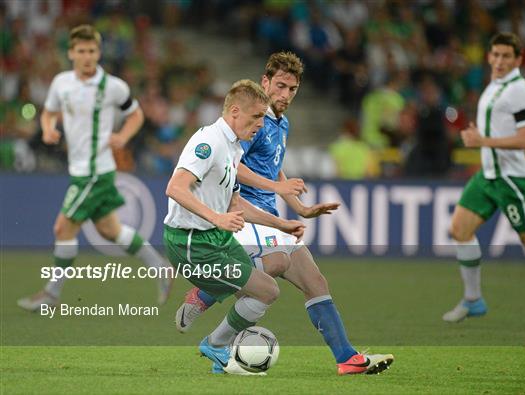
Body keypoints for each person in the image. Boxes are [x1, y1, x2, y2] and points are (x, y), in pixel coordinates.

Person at [177, 52, 394, 375]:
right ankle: (211, 289)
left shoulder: (282, 122)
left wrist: (300, 207)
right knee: (276, 263)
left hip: (268, 213)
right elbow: (234, 166)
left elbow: (274, 169)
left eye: (292, 89)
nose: (285, 95)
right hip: (241, 212)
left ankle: (346, 358)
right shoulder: (254, 119)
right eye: (280, 86)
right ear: (265, 82)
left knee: (315, 280)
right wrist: (276, 189)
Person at [17, 25, 172, 311]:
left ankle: (51, 294)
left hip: (96, 171)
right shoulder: (61, 83)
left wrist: (123, 137)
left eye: (92, 51)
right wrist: (49, 128)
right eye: (81, 51)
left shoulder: (113, 86)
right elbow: (49, 112)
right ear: (71, 53)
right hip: (79, 168)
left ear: (98, 53)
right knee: (110, 230)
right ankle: (160, 267)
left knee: (62, 227)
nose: (87, 56)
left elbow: (136, 114)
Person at [163, 79, 305, 375]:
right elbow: (175, 188)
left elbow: (236, 205)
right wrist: (217, 219)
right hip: (191, 243)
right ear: (235, 112)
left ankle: (217, 351)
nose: (260, 125)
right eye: (256, 118)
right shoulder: (209, 142)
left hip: (216, 239)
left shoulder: (234, 149)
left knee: (269, 269)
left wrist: (281, 223)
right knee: (267, 290)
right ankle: (215, 345)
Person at [443, 32, 525, 323]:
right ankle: (473, 300)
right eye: (495, 54)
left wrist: (482, 141)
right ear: (488, 56)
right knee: (460, 229)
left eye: (506, 56)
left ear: (518, 60)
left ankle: (473, 299)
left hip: (511, 178)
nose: (499, 60)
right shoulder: (499, 84)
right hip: (488, 175)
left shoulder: (517, 89)